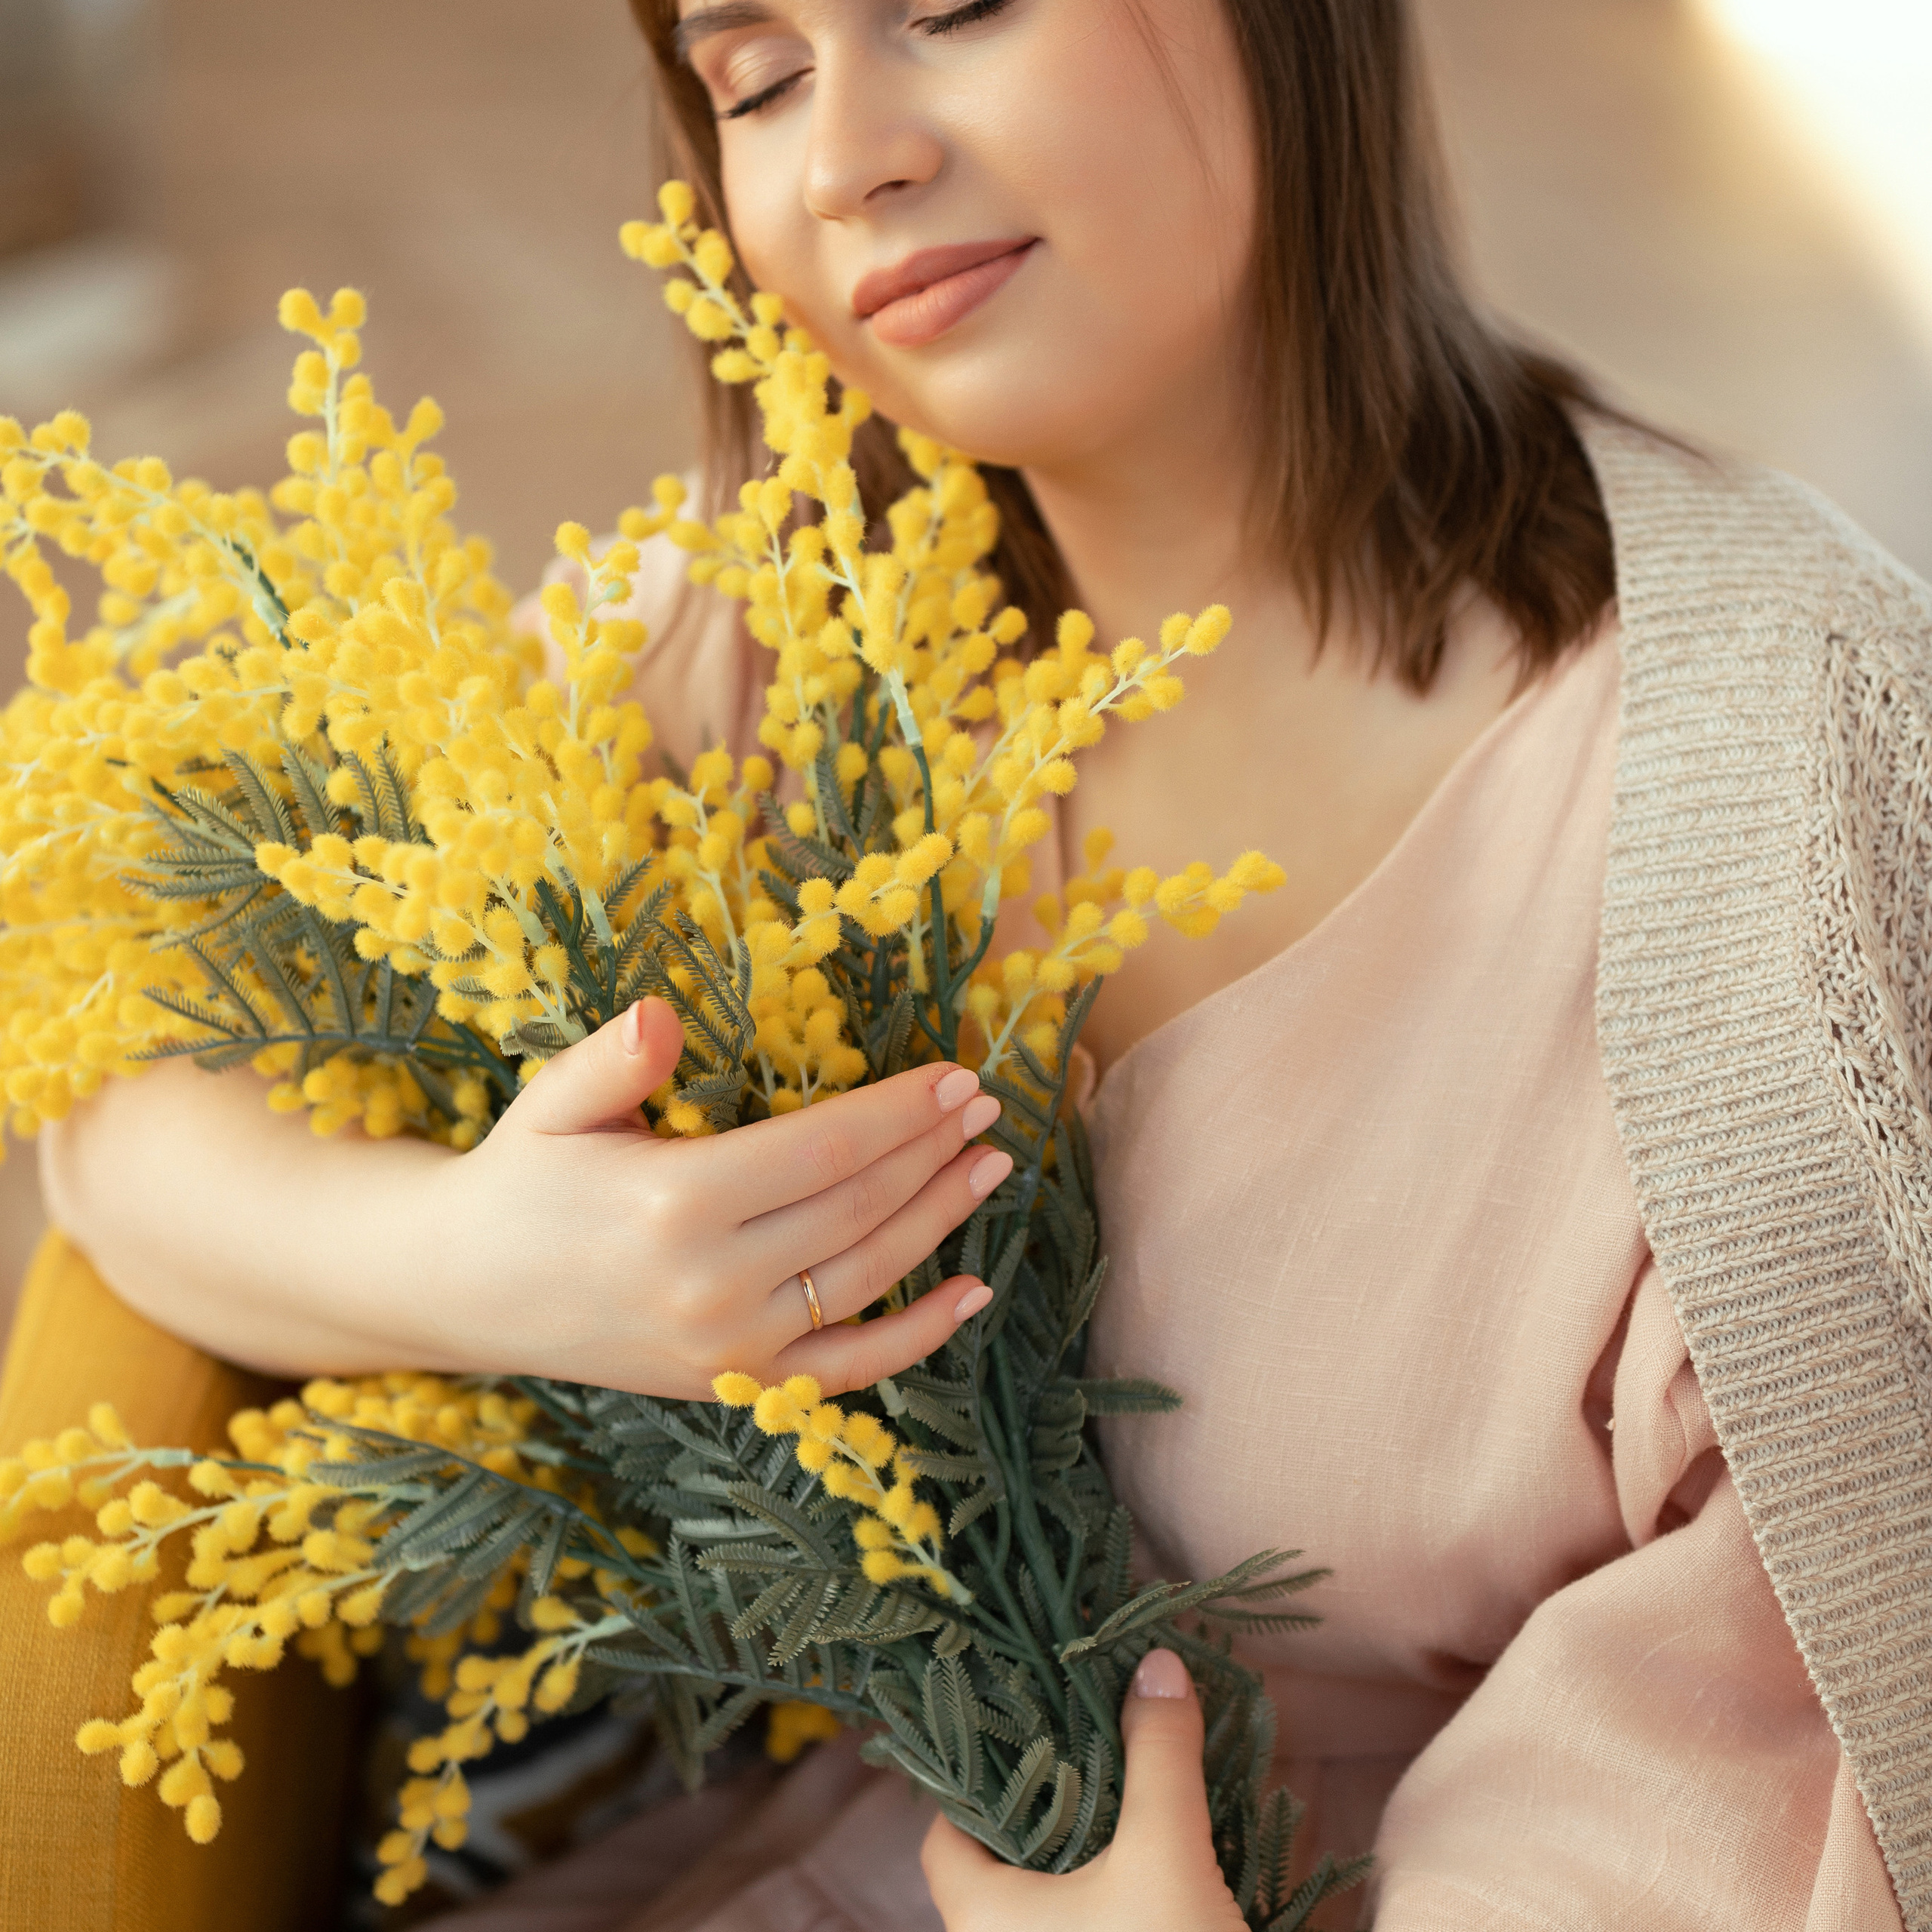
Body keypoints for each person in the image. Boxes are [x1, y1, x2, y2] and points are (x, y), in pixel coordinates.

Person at [38, 0, 1932, 1925]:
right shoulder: (796, 635)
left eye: (952, 6)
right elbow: (125, 1087)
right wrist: (494, 1263)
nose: (847, 153)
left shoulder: (1777, 829)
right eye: (754, 77)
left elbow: (1806, 1791)